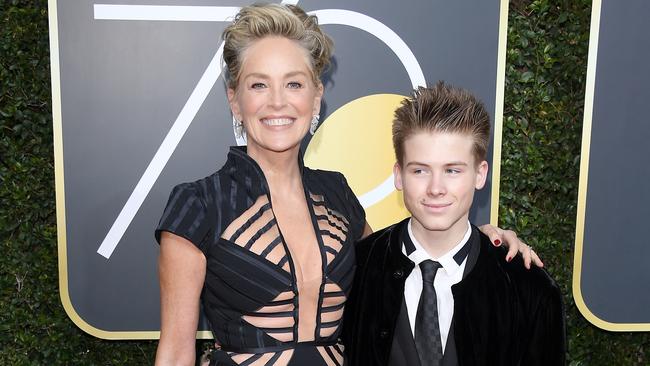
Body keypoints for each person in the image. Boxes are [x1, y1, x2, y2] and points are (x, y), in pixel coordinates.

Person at [154, 4, 542, 366]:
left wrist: (481, 241)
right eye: (258, 85)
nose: (277, 102)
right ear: (234, 100)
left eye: (293, 84)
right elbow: (175, 350)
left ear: (316, 96)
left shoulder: (336, 194)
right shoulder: (199, 204)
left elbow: (395, 265)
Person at [343, 83, 565, 366]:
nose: (436, 188)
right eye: (420, 170)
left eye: (452, 170)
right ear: (399, 175)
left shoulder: (529, 289)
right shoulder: (356, 272)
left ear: (479, 174)